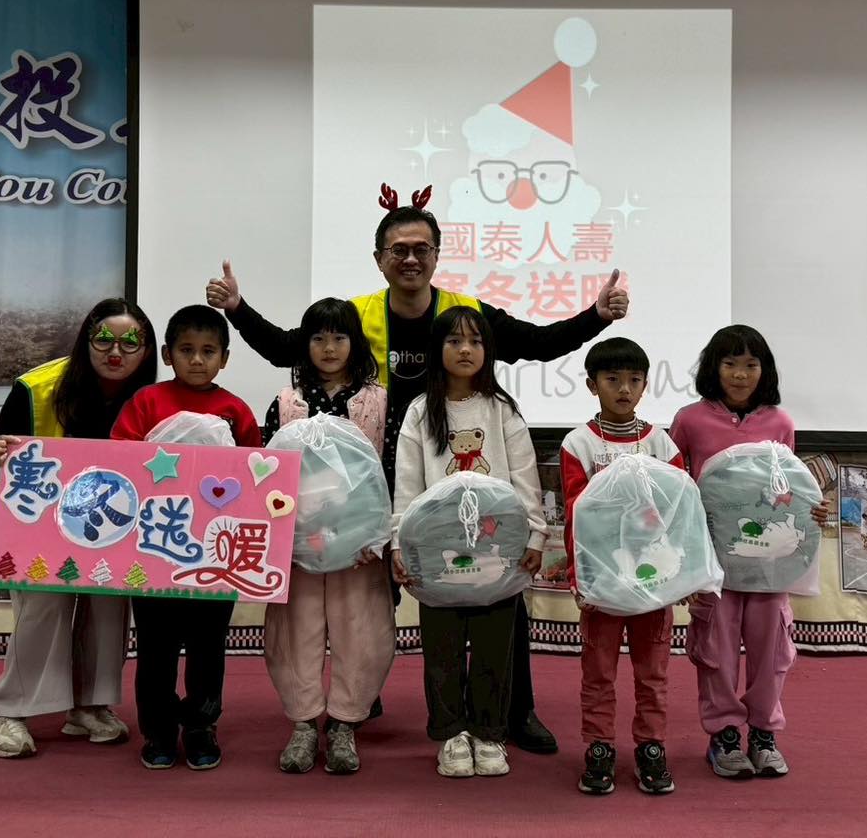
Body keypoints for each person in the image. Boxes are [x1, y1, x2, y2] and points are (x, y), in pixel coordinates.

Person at [207, 189, 629, 753]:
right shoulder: (357, 315)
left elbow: (537, 342)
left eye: (421, 248)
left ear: (436, 255)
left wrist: (596, 317)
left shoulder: (465, 312)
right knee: (370, 602)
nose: (410, 258)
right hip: (378, 488)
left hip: (465, 482)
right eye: (398, 249)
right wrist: (237, 310)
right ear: (379, 258)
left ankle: (515, 711)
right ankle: (361, 700)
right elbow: (291, 347)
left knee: (501, 596)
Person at [0, 297, 157, 759]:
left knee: (108, 608)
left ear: (146, 351)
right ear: (85, 340)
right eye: (104, 339)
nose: (115, 351)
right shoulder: (36, 387)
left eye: (130, 342)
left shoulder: (149, 397)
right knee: (42, 610)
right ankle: (10, 712)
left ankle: (88, 706)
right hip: (38, 524)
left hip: (111, 527)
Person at [391, 307, 546, 779]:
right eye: (454, 341)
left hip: (498, 550)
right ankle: (451, 733)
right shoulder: (421, 411)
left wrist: (536, 534)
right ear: (436, 349)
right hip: (437, 553)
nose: (465, 350)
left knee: (495, 646)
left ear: (488, 350)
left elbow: (525, 477)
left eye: (475, 341)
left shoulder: (501, 410)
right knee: (442, 649)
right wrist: (398, 543)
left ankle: (488, 731)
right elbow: (407, 485)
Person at [668, 324, 828, 780]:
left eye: (751, 365)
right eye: (730, 364)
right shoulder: (689, 420)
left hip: (769, 563)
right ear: (713, 368)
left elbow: (789, 492)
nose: (740, 374)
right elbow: (675, 489)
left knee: (771, 648)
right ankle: (723, 735)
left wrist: (813, 511)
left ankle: (763, 733)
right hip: (713, 563)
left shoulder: (781, 423)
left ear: (765, 370)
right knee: (715, 649)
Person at [110, 305, 262, 771]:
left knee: (207, 648)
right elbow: (120, 462)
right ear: (167, 354)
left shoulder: (236, 410)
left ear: (225, 358)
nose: (197, 360)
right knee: (154, 648)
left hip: (215, 555)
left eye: (208, 351)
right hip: (154, 549)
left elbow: (256, 474)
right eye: (187, 350)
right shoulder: (146, 403)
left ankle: (200, 727)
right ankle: (158, 731)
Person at [260, 298, 395, 776]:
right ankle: (302, 723)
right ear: (305, 344)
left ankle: (344, 724)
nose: (329, 347)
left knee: (361, 630)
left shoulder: (379, 400)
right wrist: (279, 539)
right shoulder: (287, 402)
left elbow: (390, 469)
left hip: (359, 544)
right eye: (318, 338)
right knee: (295, 630)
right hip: (298, 543)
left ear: (355, 342)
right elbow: (267, 472)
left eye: (339, 337)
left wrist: (380, 536)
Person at [559, 338, 683, 796]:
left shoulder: (660, 442)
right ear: (593, 385)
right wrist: (581, 579)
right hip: (604, 582)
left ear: (646, 385)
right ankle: (599, 748)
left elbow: (679, 510)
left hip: (654, 582)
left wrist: (681, 575)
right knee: (598, 674)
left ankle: (651, 746)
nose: (624, 389)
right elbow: (575, 515)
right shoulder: (579, 443)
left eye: (634, 380)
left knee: (653, 674)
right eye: (613, 380)